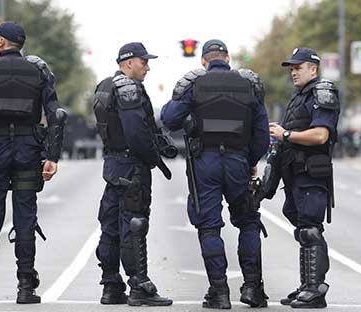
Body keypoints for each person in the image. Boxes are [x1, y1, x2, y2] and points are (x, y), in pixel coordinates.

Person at [0, 21, 67, 304]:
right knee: (25, 217)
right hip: (28, 150)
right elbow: (55, 115)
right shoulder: (39, 70)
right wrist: (52, 156)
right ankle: (26, 287)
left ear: (1, 43)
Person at [161, 39, 269, 309]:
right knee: (247, 222)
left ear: (203, 61)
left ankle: (219, 293)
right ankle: (254, 289)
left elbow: (170, 119)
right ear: (228, 57)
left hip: (205, 162)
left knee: (209, 226)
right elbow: (262, 134)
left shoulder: (195, 85)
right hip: (237, 161)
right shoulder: (248, 86)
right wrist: (250, 160)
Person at [92, 42, 173, 306]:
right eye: (143, 62)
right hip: (131, 166)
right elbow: (136, 133)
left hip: (114, 164)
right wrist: (153, 158)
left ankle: (111, 286)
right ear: (129, 63)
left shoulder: (105, 86)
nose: (147, 67)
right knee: (134, 225)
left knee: (111, 226)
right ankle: (139, 287)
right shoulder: (128, 89)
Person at [268, 48, 339, 309]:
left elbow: (320, 135)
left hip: (311, 173)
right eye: (291, 68)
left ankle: (316, 290)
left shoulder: (323, 93)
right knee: (302, 229)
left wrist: (285, 135)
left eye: (299, 67)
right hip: (295, 174)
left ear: (314, 69)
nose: (293, 72)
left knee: (310, 229)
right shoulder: (300, 96)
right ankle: (307, 284)